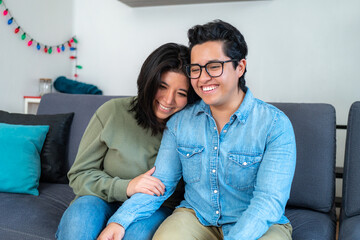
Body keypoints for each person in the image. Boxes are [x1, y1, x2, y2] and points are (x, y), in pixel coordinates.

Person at [98, 20, 296, 240]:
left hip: (258, 226)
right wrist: (119, 221)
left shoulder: (275, 125)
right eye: (196, 69)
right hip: (195, 217)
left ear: (239, 67)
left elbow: (268, 201)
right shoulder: (180, 122)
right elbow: (161, 182)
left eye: (213, 67)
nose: (202, 78)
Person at [56, 42, 199, 240]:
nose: (168, 100)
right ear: (148, 81)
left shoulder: (192, 127)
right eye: (161, 87)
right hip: (98, 200)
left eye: (181, 93)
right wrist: (127, 187)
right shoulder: (112, 112)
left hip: (155, 208)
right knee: (79, 225)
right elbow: (79, 175)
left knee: (135, 235)